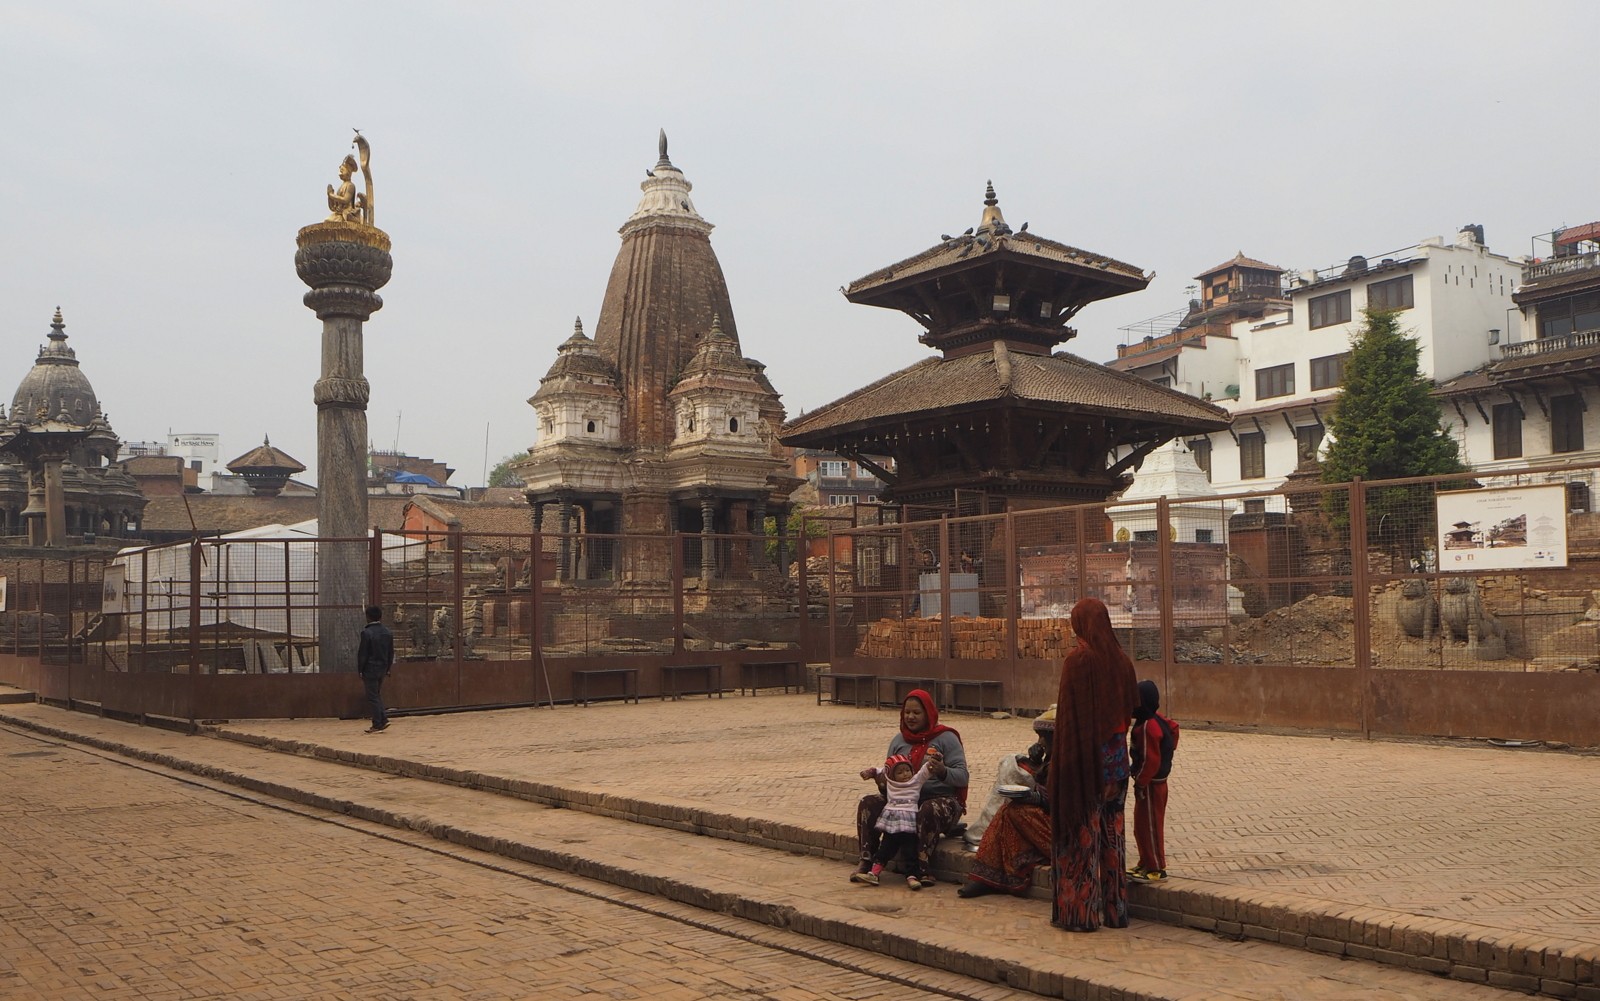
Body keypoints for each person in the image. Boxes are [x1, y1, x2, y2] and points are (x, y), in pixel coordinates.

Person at [1049, 597, 1139, 931]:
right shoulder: (1122, 661)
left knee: (1082, 837)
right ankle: (1116, 912)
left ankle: (1081, 915)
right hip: (1118, 765)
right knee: (1113, 838)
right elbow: (1129, 709)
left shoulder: (1080, 661)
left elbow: (1071, 722)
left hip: (1088, 766)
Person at [853, 690, 968, 884]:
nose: (910, 717)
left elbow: (962, 777)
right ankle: (867, 861)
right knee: (868, 803)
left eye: (916, 713)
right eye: (907, 712)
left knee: (928, 809)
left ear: (929, 713)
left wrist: (941, 771)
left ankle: (922, 868)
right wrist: (882, 784)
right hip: (902, 802)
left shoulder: (947, 738)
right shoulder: (898, 741)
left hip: (939, 802)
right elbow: (890, 780)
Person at [958, 708, 1056, 898]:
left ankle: (987, 877)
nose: (1040, 742)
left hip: (1066, 838)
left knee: (1012, 812)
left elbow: (1064, 804)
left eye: (1045, 737)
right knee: (1008, 814)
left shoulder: (1069, 761)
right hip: (1048, 824)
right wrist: (1036, 762)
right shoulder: (1052, 760)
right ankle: (986, 877)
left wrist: (1035, 798)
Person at [851, 753, 936, 889]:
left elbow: (925, 771)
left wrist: (934, 760)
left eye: (907, 770)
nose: (905, 774)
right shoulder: (890, 782)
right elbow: (880, 771)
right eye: (900, 772)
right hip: (891, 824)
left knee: (910, 851)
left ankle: (912, 877)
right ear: (892, 775)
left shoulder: (915, 781)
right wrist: (869, 773)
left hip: (909, 825)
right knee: (884, 849)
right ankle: (874, 873)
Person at [1128, 680, 1179, 882]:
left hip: (1151, 785)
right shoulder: (1157, 719)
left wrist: (1141, 782)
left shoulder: (1148, 726)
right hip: (1154, 781)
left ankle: (1156, 868)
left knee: (1151, 825)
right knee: (1141, 825)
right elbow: (1174, 728)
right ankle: (1145, 862)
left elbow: (1151, 759)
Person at [357, 605, 395, 734]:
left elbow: (363, 653)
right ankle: (383, 719)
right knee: (376, 694)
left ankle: (377, 723)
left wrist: (360, 669)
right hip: (382, 668)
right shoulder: (387, 632)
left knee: (372, 696)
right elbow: (391, 653)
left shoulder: (366, 633)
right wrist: (388, 667)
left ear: (368, 617)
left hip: (370, 668)